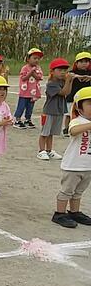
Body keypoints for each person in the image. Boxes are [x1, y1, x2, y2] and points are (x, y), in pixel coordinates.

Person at [52, 87, 91, 228]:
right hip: (73, 166)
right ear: (79, 107)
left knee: (78, 192)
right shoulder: (78, 121)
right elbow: (73, 131)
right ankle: (59, 213)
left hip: (87, 166)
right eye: (90, 103)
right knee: (67, 191)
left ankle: (75, 212)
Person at [38, 58, 73, 161]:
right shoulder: (51, 83)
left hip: (59, 111)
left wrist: (70, 81)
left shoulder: (62, 82)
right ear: (52, 72)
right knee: (45, 132)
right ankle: (41, 151)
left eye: (65, 70)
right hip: (49, 111)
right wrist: (68, 80)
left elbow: (68, 92)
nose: (63, 72)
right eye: (59, 70)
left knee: (51, 132)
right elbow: (63, 92)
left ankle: (49, 150)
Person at [13, 48, 44, 130]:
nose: (36, 60)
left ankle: (28, 119)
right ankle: (17, 120)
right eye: (34, 58)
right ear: (28, 59)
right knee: (21, 106)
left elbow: (39, 77)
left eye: (38, 59)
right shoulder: (25, 68)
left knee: (30, 107)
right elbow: (23, 78)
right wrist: (30, 72)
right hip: (25, 91)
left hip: (33, 92)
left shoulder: (38, 68)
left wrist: (34, 73)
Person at [67, 51, 91, 137]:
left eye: (86, 61)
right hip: (72, 97)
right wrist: (77, 77)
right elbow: (68, 75)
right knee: (69, 114)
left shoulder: (89, 73)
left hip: (86, 98)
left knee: (86, 112)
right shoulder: (73, 72)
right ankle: (67, 127)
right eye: (81, 61)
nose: (84, 64)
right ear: (76, 63)